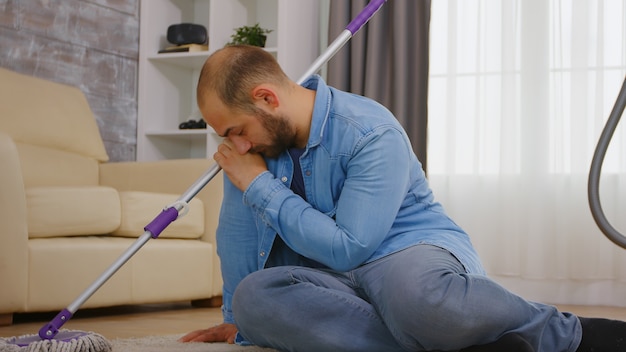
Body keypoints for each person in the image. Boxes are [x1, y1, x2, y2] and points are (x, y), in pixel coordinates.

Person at [179, 44, 626, 352]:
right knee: (258, 298)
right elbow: (236, 236)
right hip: (328, 282)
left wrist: (260, 186)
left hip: (401, 254)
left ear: (266, 98)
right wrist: (237, 314)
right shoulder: (253, 151)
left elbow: (351, 246)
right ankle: (468, 344)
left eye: (236, 130)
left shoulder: (369, 130)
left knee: (414, 298)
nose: (235, 146)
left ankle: (562, 334)